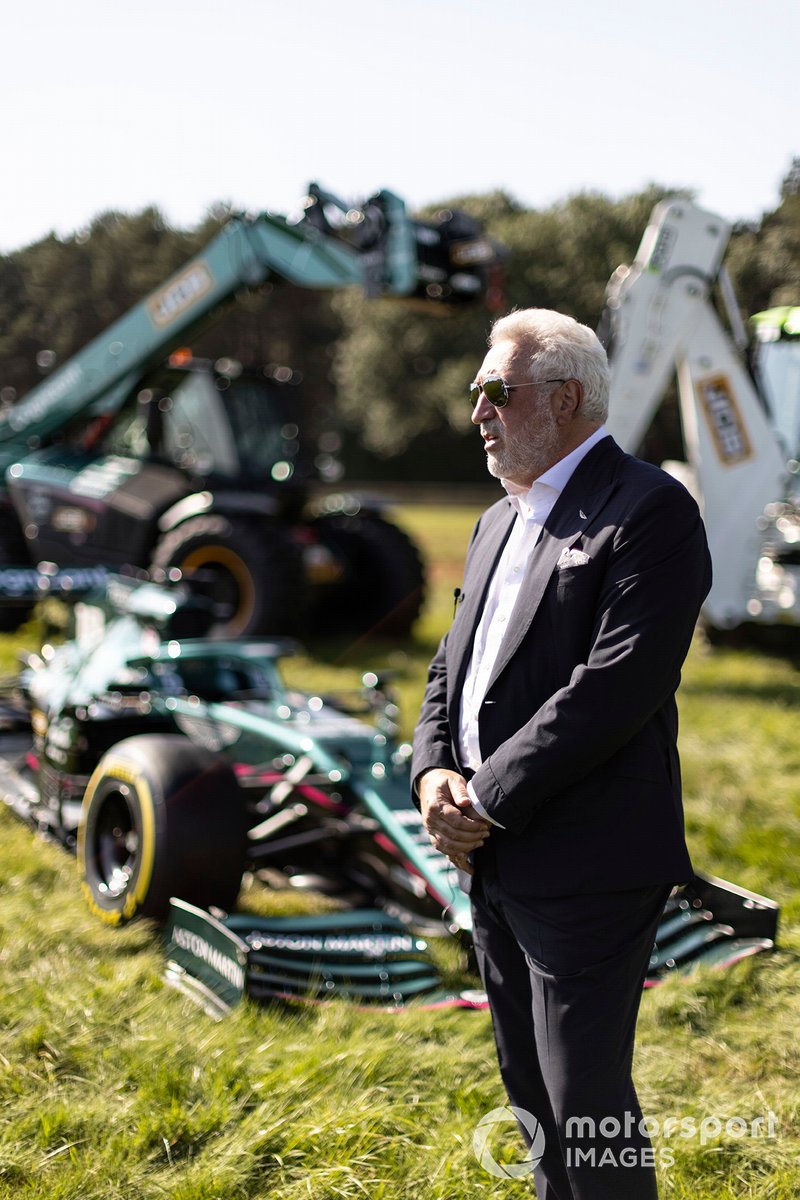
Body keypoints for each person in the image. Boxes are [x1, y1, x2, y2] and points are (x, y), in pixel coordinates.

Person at [412, 308, 711, 1200]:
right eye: (476, 394)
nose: (478, 412)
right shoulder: (499, 520)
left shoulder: (651, 509)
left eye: (496, 391)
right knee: (531, 1095)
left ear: (568, 398)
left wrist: (483, 798)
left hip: (588, 858)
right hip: (493, 857)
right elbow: (448, 669)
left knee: (586, 1103)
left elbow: (614, 687)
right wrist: (431, 770)